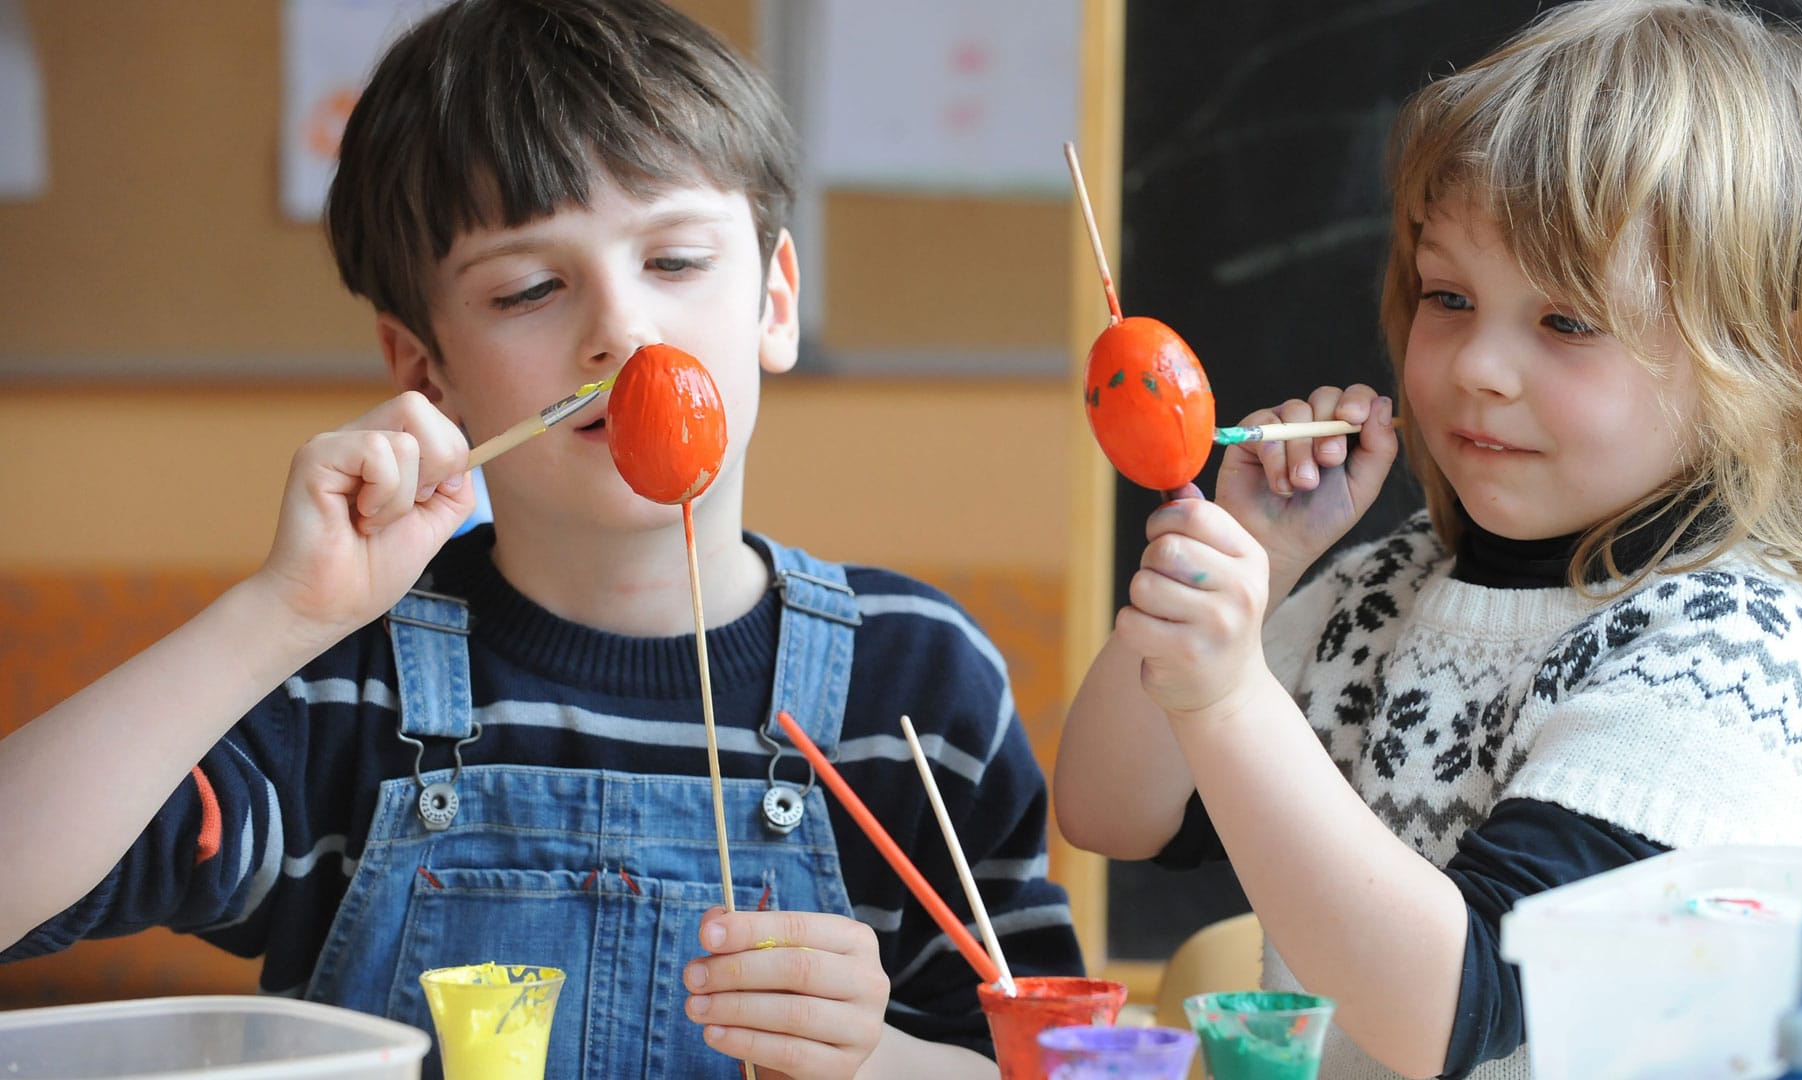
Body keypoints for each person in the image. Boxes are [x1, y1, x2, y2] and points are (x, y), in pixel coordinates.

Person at [0, 2, 1081, 1077]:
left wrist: (876, 1059)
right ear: (428, 373)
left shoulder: (918, 687)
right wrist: (276, 616)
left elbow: (1053, 1063)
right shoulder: (342, 686)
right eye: (530, 288)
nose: (622, 331)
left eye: (677, 260)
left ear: (774, 303)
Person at [1054, 1, 1802, 1077]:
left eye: (1565, 322)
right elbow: (1110, 809)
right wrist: (1251, 564)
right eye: (1448, 296)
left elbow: (1447, 1015)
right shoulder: (1385, 590)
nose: (1476, 367)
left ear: (1779, 362)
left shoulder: (1736, 661)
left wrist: (1229, 696)